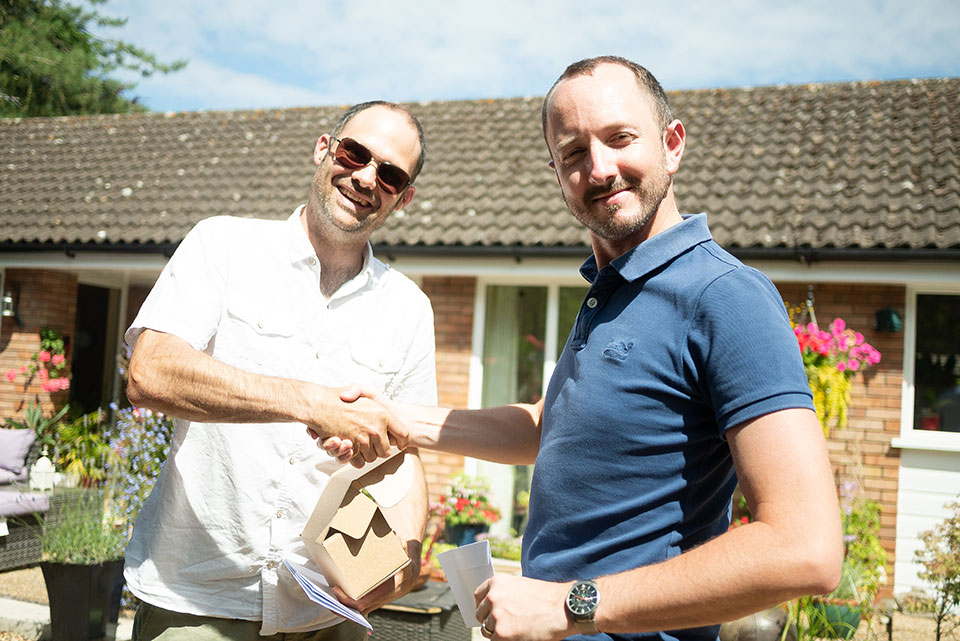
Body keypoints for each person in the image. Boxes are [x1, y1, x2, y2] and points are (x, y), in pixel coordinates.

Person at [320, 57, 843, 641]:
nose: (599, 169)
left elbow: (806, 547)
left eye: (620, 138)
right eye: (573, 152)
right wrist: (398, 419)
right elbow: (547, 428)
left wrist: (568, 605)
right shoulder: (613, 290)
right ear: (556, 171)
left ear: (672, 145)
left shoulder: (724, 296)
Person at [123, 100, 437, 640]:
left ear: (403, 198)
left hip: (327, 612)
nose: (366, 178)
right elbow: (150, 373)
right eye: (354, 153)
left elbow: (404, 456)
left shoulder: (409, 307)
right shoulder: (223, 244)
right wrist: (311, 403)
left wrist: (406, 552)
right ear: (324, 149)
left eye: (389, 175)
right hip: (200, 600)